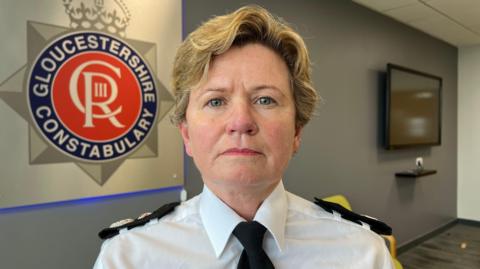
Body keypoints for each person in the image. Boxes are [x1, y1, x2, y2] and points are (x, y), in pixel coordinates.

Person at [93, 5, 394, 269]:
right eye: (216, 101)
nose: (241, 122)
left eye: (265, 100)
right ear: (186, 134)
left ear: (297, 131)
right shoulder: (127, 258)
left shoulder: (362, 253)